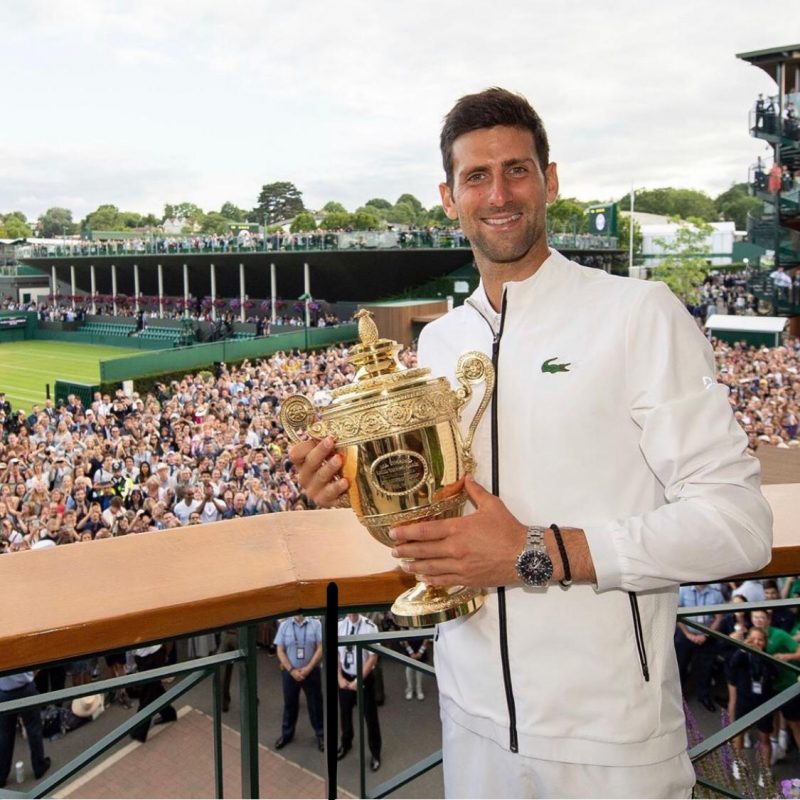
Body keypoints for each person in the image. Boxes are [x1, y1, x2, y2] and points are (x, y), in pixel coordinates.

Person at [289, 87, 773, 798]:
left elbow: (739, 527)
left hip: (612, 740)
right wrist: (348, 484)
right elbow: (441, 520)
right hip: (471, 722)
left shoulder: (639, 313)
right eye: (475, 177)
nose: (499, 194)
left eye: (517, 170)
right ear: (449, 198)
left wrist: (534, 551)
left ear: (550, 180)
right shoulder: (441, 340)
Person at [336, 612, 381, 772]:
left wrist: (358, 680)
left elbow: (373, 658)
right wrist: (339, 677)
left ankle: (375, 753)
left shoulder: (370, 627)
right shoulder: (339, 626)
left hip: (364, 679)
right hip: (345, 677)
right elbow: (335, 654)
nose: (352, 612)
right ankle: (346, 743)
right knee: (345, 714)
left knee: (370, 717)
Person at [273, 615, 324, 752]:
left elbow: (320, 648)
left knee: (315, 704)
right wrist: (291, 670)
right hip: (290, 673)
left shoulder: (315, 624)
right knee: (290, 704)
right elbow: (280, 650)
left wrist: (308, 668)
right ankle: (287, 734)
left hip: (311, 672)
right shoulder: (284, 625)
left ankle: (321, 734)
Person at [674, 583, 725, 712]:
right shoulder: (683, 591)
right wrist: (687, 634)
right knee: (679, 667)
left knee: (705, 669)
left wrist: (706, 635)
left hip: (706, 637)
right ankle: (676, 698)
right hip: (685, 635)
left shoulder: (716, 594)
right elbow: (677, 614)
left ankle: (703, 696)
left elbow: (719, 618)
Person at [0, 671, 51, 788]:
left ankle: (1, 774)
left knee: (4, 735)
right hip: (25, 688)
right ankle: (39, 766)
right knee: (34, 730)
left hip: (4, 691)